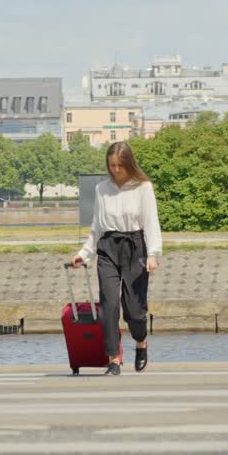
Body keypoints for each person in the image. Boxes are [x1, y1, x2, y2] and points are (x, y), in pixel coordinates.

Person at [68, 142, 162, 375]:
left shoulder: (143, 187)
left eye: (120, 165)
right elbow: (97, 227)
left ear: (129, 164)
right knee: (108, 306)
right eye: (112, 165)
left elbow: (151, 223)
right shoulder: (102, 189)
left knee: (134, 311)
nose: (116, 170)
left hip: (135, 246)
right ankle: (113, 358)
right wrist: (84, 254)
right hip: (108, 248)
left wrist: (153, 254)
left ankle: (141, 342)